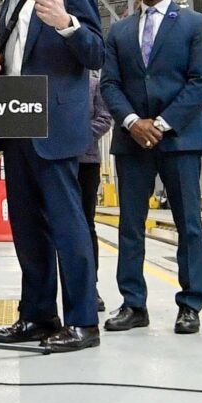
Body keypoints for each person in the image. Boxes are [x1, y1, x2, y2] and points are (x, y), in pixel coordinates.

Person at [0, 0, 108, 352]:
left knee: (68, 226)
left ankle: (82, 321)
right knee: (29, 228)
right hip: (16, 124)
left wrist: (64, 23)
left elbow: (96, 54)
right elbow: (19, 60)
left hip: (53, 124)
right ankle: (37, 314)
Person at [100, 0, 202, 334]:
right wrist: (133, 122)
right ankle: (134, 305)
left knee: (189, 224)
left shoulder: (194, 24)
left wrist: (162, 123)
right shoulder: (118, 32)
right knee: (130, 225)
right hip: (132, 141)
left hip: (180, 139)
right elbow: (110, 84)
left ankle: (190, 305)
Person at [80, 69, 111, 311]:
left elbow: (104, 119)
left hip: (85, 162)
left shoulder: (94, 85)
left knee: (85, 224)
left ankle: (90, 286)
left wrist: (76, 137)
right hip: (54, 161)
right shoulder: (49, 82)